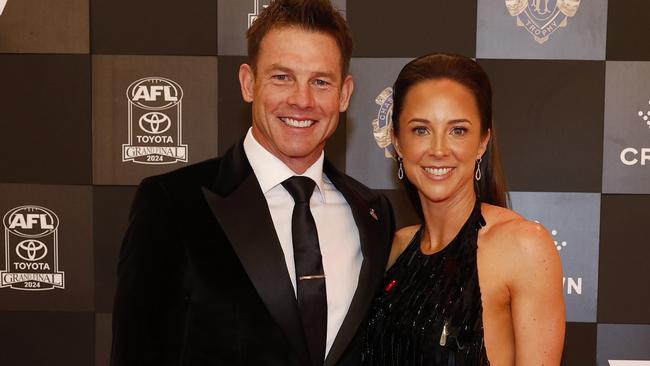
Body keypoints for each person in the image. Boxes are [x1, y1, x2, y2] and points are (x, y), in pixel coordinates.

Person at [110, 1, 395, 365]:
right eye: (282, 77)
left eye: (320, 82)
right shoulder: (173, 204)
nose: (302, 100)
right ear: (248, 83)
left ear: (344, 94)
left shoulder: (372, 214)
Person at [362, 53, 565, 365]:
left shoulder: (522, 246)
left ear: (482, 141)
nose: (439, 149)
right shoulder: (395, 249)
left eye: (458, 130)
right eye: (420, 130)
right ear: (397, 142)